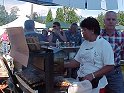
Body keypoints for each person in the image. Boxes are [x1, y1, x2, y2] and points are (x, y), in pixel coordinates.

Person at [64, 17, 115, 91]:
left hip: (96, 85)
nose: (82, 33)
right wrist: (62, 64)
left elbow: (110, 66)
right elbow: (77, 61)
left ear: (92, 30)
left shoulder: (104, 44)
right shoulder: (84, 43)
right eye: (82, 30)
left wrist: (93, 75)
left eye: (84, 30)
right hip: (81, 82)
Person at [101, 11, 124, 93]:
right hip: (99, 72)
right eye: (108, 19)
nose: (111, 21)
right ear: (104, 21)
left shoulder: (122, 36)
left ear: (116, 22)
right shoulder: (97, 35)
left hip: (115, 73)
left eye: (113, 19)